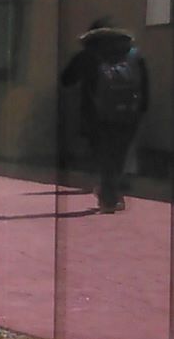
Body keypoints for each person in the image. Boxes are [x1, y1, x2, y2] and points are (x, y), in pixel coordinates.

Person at [61, 18, 149, 212]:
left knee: (104, 156)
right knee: (118, 155)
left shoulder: (88, 54)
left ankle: (109, 198)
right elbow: (144, 85)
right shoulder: (134, 54)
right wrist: (140, 110)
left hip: (96, 115)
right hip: (128, 114)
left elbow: (66, 79)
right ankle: (111, 193)